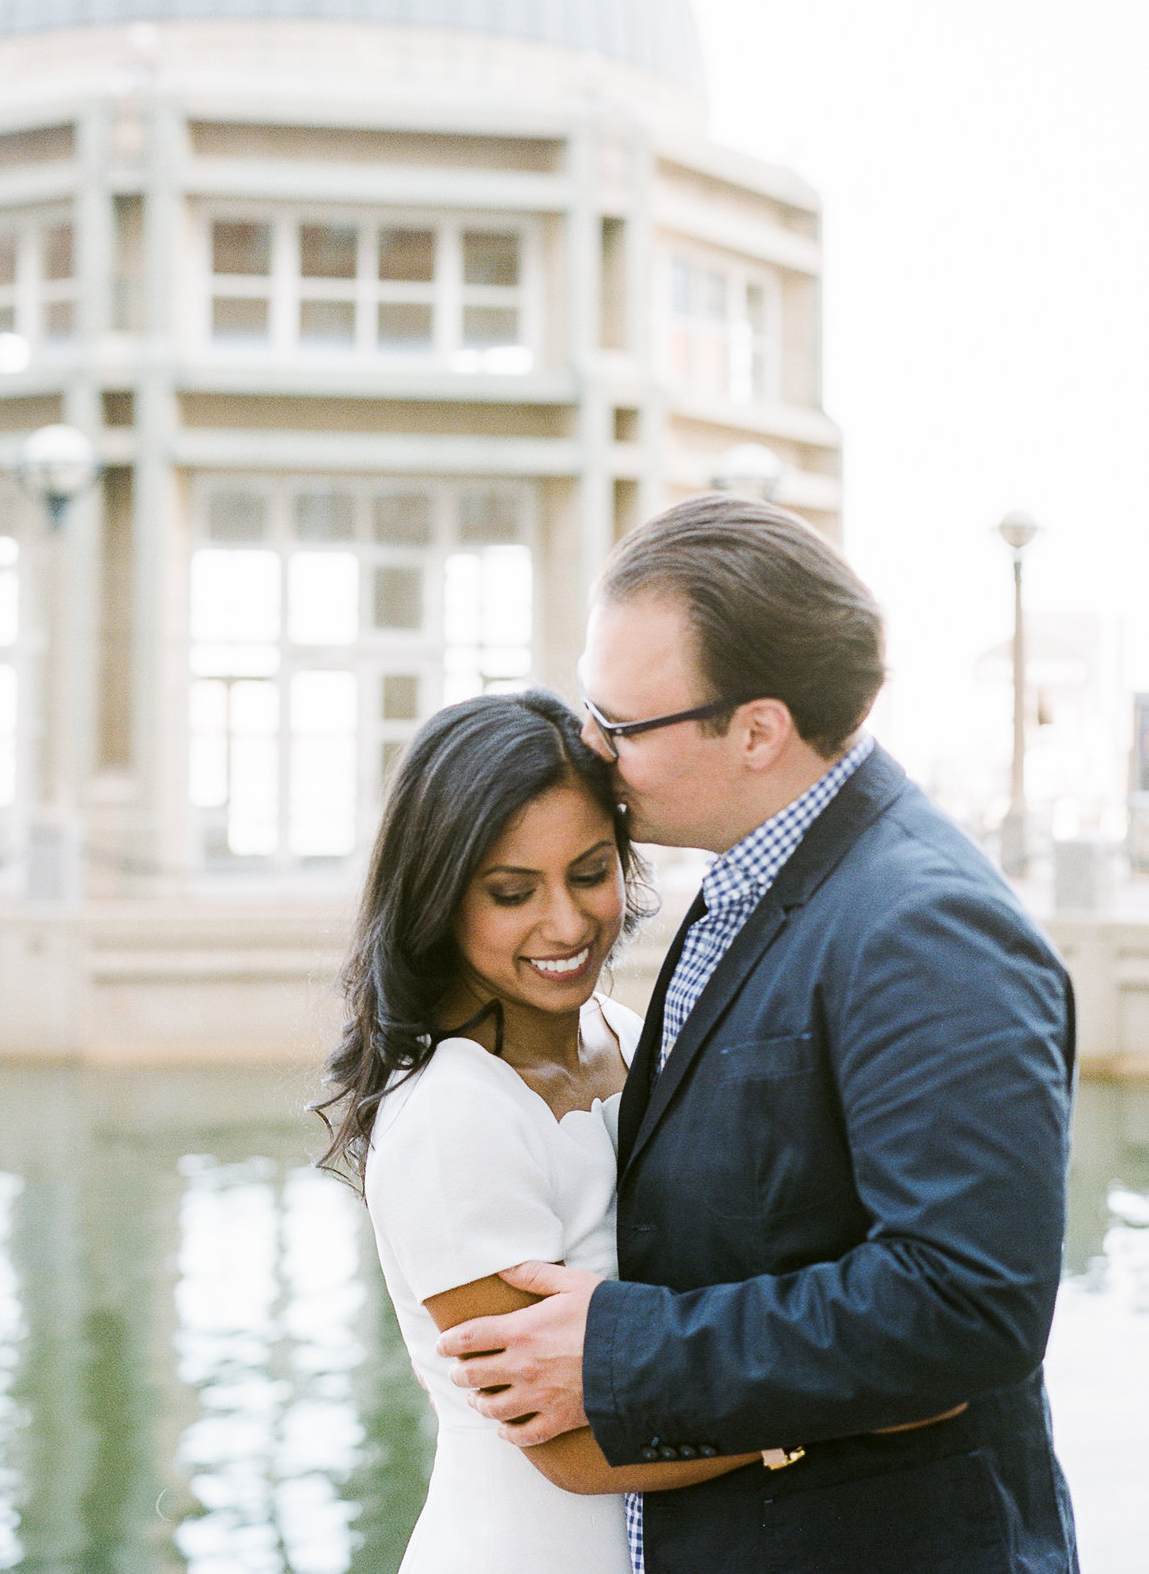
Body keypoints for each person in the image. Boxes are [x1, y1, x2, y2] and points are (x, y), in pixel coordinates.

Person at [433, 495, 1077, 1574]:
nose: (588, 751)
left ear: (756, 730)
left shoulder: (919, 925)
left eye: (619, 726)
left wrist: (620, 1350)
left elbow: (965, 1304)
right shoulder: (768, 876)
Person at [319, 689, 767, 1573]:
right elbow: (569, 1446)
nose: (566, 924)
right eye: (512, 892)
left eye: (591, 873)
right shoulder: (454, 1114)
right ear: (440, 897)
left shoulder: (618, 1029)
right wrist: (833, 1409)